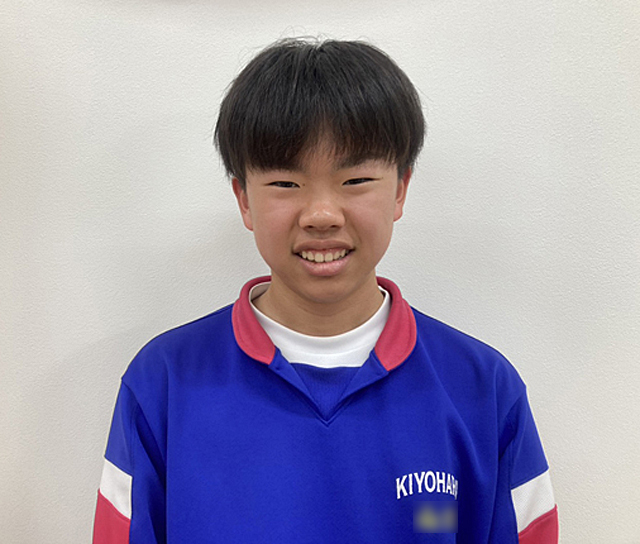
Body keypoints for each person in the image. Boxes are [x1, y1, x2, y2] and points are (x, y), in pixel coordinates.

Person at [93, 38, 558, 543]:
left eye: (355, 180)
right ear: (243, 198)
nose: (321, 215)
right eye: (285, 184)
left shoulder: (483, 388)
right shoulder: (164, 383)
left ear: (400, 189)